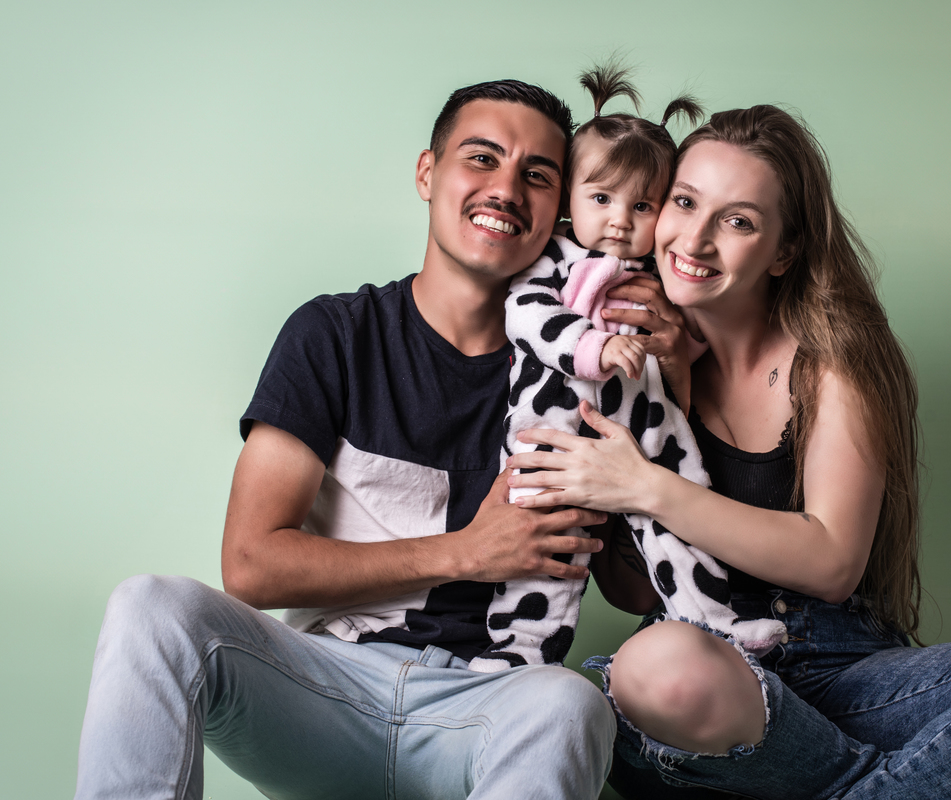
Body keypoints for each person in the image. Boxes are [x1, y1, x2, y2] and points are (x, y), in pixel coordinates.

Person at [505, 105, 951, 799]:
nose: (696, 238)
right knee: (654, 665)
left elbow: (833, 564)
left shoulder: (835, 361)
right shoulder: (617, 348)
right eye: (684, 203)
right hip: (699, 688)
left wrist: (646, 486)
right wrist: (669, 396)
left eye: (738, 221)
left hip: (844, 672)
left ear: (783, 251)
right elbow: (633, 592)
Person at [74, 79, 623, 800]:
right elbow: (250, 565)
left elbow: (637, 589)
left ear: (563, 211)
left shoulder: (587, 373)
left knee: (573, 703)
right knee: (150, 606)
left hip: (487, 702)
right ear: (428, 173)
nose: (506, 189)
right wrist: (467, 552)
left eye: (538, 175)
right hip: (322, 690)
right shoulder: (333, 334)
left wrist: (669, 377)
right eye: (482, 158)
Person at [471, 66, 783, 674]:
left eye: (642, 205)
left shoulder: (661, 274)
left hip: (650, 431)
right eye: (601, 199)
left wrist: (678, 355)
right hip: (556, 436)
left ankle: (715, 623)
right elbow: (526, 315)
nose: (620, 220)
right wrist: (592, 346)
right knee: (548, 546)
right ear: (569, 198)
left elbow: (690, 341)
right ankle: (520, 650)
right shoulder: (554, 258)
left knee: (682, 522)